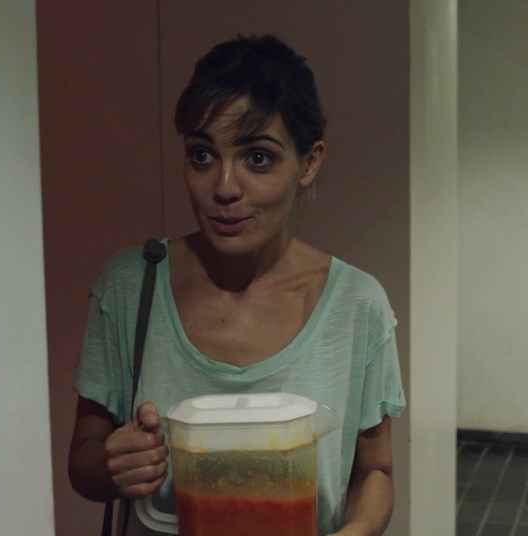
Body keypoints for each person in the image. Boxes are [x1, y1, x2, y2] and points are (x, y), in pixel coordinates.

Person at [67, 34, 406, 536]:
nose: (224, 187)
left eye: (258, 158)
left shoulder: (357, 306)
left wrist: (356, 531)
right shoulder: (130, 286)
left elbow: (374, 469)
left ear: (309, 162)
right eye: (203, 155)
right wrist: (114, 464)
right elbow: (84, 460)